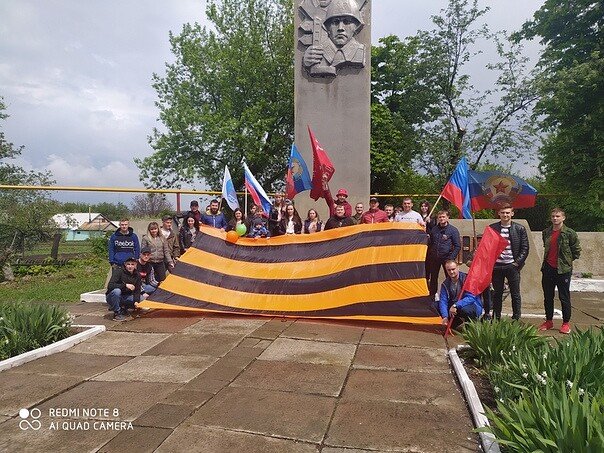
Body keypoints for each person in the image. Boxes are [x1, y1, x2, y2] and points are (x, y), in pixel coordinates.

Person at [538, 208, 581, 334]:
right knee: (548, 297)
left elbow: (576, 251)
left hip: (563, 270)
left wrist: (566, 261)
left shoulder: (569, 233)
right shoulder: (546, 232)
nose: (555, 218)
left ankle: (565, 323)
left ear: (563, 218)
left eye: (557, 216)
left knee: (564, 297)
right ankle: (549, 321)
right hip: (548, 268)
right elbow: (547, 248)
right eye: (553, 216)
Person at [490, 204, 529, 320]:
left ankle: (516, 318)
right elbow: (488, 247)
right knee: (497, 294)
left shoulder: (519, 228)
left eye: (507, 213)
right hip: (497, 266)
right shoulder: (493, 228)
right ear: (499, 213)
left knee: (515, 294)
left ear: (512, 213)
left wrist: (516, 263)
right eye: (503, 212)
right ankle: (496, 318)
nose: (505, 215)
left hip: (512, 266)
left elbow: (525, 248)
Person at [439, 260, 484, 329]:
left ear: (458, 268)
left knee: (465, 310)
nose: (451, 272)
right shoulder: (445, 284)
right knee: (436, 305)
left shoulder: (467, 279)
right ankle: (457, 320)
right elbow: (443, 301)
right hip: (455, 307)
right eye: (449, 270)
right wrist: (445, 316)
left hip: (471, 305)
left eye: (453, 269)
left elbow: (471, 297)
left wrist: (456, 305)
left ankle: (471, 322)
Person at [427, 211, 461, 301]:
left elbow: (457, 246)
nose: (441, 219)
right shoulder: (434, 229)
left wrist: (451, 259)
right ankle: (431, 298)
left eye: (443, 217)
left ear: (447, 217)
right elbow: (430, 243)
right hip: (434, 258)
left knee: (450, 278)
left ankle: (451, 298)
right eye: (440, 217)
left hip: (447, 258)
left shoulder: (453, 230)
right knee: (433, 278)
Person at [106, 256, 141, 321]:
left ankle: (124, 308)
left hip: (126, 296)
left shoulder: (137, 274)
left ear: (135, 265)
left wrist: (136, 301)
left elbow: (137, 290)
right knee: (117, 291)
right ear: (125, 264)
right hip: (113, 296)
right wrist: (125, 285)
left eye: (132, 264)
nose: (130, 266)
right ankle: (116, 313)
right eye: (128, 264)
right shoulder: (118, 271)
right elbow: (110, 285)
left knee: (142, 299)